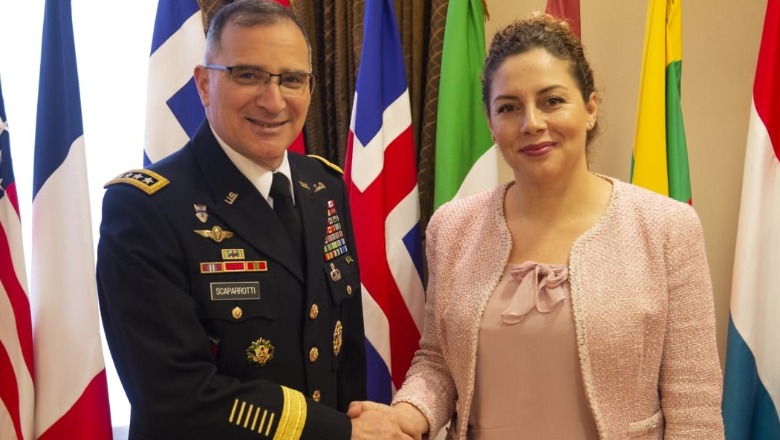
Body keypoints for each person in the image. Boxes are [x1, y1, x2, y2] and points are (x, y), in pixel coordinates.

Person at [351, 14, 725, 440]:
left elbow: (694, 406)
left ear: (590, 108)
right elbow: (438, 362)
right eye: (509, 107)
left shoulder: (667, 228)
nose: (531, 123)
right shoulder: (452, 228)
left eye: (552, 100)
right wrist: (405, 417)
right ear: (491, 123)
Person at [96, 1, 376, 438]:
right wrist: (341, 432)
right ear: (204, 84)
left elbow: (345, 356)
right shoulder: (144, 209)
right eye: (247, 75)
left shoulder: (324, 186)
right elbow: (175, 396)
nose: (273, 100)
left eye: (292, 79)